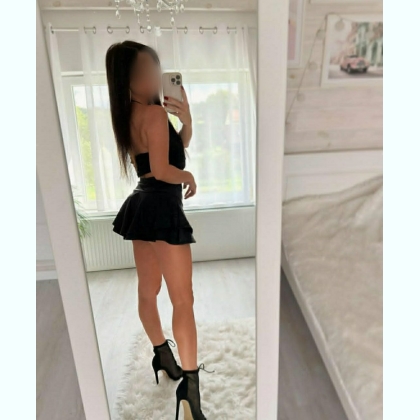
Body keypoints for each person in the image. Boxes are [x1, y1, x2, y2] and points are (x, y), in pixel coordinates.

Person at [105, 41, 213, 419]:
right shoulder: (152, 113)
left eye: (155, 68)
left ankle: (163, 356)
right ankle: (189, 389)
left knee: (148, 291)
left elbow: (166, 154)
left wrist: (187, 123)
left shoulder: (131, 115)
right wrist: (188, 176)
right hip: (162, 206)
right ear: (128, 79)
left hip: (141, 204)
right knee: (183, 299)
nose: (154, 76)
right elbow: (167, 170)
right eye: (145, 71)